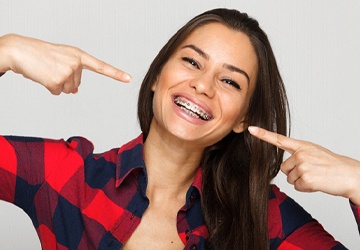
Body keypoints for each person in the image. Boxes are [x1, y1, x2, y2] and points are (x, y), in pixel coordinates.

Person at [0, 8, 359, 250]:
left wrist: (358, 183)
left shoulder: (265, 217)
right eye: (191, 61)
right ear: (158, 75)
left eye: (230, 82)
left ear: (242, 120)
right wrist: (6, 51)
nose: (203, 85)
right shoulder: (67, 176)